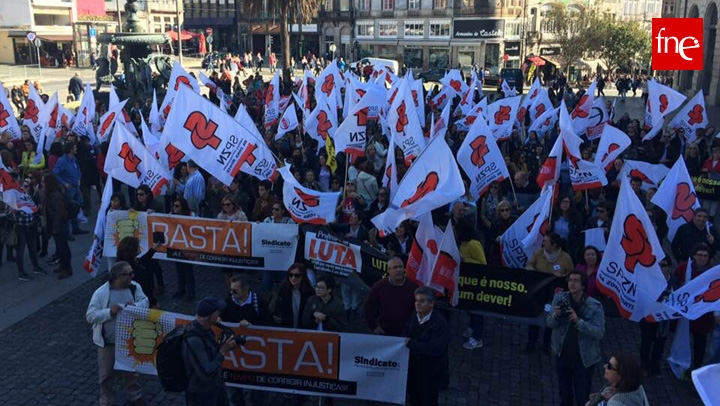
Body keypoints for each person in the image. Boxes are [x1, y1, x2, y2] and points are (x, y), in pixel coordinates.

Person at [86, 261, 149, 406]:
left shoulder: (135, 287)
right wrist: (110, 312)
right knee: (106, 375)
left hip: (128, 338)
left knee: (131, 372)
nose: (131, 277)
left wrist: (136, 306)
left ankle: (135, 396)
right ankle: (107, 401)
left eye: (131, 273)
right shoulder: (101, 293)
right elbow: (90, 315)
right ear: (116, 277)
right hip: (108, 342)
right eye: (127, 274)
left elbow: (144, 301)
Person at [547, 271, 605, 406]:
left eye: (576, 281)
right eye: (570, 280)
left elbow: (599, 332)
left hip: (584, 359)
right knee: (564, 393)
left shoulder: (595, 306)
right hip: (562, 354)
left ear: (583, 285)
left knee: (582, 396)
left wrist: (579, 322)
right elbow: (549, 323)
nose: (572, 283)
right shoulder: (560, 299)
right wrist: (556, 315)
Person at [221, 274, 268, 406]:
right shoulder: (229, 300)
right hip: (235, 352)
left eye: (235, 291)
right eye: (230, 289)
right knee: (234, 390)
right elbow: (223, 315)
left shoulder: (259, 302)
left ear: (246, 290)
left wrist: (252, 327)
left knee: (256, 391)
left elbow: (268, 325)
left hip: (254, 353)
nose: (231, 293)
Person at [182, 297, 236, 406]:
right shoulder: (194, 340)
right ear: (210, 317)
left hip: (215, 386)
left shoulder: (205, 328)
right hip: (201, 393)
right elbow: (207, 373)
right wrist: (222, 351)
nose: (220, 314)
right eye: (218, 312)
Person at [526, 232, 574, 354]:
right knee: (535, 316)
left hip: (555, 296)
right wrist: (533, 271)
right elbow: (529, 265)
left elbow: (571, 275)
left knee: (551, 319)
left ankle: (547, 344)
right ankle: (532, 341)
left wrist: (562, 277)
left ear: (554, 245)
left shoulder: (565, 258)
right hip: (538, 293)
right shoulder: (539, 253)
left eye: (546, 241)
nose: (543, 243)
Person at [404, 286, 450, 406]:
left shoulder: (440, 324)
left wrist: (412, 344)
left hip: (431, 373)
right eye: (416, 300)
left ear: (431, 304)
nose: (417, 304)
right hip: (414, 369)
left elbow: (436, 349)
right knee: (413, 398)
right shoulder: (413, 315)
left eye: (422, 301)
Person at [675, 243, 716, 370]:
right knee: (682, 339)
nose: (702, 258)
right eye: (700, 255)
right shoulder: (683, 268)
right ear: (694, 255)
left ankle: (697, 365)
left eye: (705, 255)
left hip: (702, 316)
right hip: (685, 313)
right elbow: (675, 284)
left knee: (700, 343)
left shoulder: (712, 272)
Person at [364, 256, 419, 336]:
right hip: (385, 332)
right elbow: (368, 306)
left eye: (400, 267)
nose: (398, 270)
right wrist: (374, 327)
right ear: (388, 270)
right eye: (395, 267)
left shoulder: (412, 287)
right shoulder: (379, 286)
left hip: (406, 333)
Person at [639, 258, 675, 377]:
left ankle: (655, 367)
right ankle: (644, 365)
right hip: (648, 316)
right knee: (646, 341)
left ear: (669, 267)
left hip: (664, 320)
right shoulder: (648, 280)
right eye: (657, 266)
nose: (660, 269)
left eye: (663, 265)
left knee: (659, 344)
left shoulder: (673, 282)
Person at [52, 141, 87, 234]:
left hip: (76, 187)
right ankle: (67, 232)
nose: (76, 149)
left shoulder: (73, 159)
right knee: (68, 209)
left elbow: (78, 169)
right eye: (74, 147)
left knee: (76, 208)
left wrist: (79, 178)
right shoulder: (62, 161)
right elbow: (55, 173)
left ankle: (75, 228)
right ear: (70, 149)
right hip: (69, 189)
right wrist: (64, 184)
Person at [42, 173, 73, 279]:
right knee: (60, 248)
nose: (42, 184)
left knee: (63, 248)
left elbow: (59, 213)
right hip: (57, 225)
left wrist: (55, 228)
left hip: (59, 225)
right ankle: (63, 266)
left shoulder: (54, 195)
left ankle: (67, 269)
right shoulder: (53, 193)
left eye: (44, 182)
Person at [272, 263, 315, 328]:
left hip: (304, 329)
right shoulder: (283, 290)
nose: (293, 278)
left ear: (303, 276)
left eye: (297, 275)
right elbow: (278, 306)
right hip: (287, 328)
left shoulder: (310, 292)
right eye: (290, 275)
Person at [171, 197, 196, 300]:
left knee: (188, 269)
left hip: (187, 246)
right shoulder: (171, 215)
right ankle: (181, 289)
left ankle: (191, 291)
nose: (174, 207)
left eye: (177, 206)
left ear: (183, 207)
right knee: (179, 269)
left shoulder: (191, 215)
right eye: (174, 205)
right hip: (177, 245)